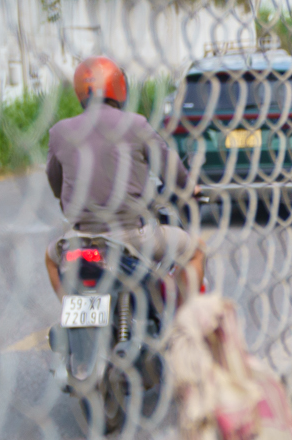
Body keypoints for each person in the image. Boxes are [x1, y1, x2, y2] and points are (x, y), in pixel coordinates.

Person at [43, 56, 198, 298]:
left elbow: (55, 182)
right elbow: (169, 167)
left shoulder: (60, 132)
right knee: (195, 249)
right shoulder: (135, 124)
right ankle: (185, 328)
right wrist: (190, 187)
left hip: (81, 238)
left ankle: (70, 310)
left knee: (51, 258)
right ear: (119, 88)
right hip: (133, 236)